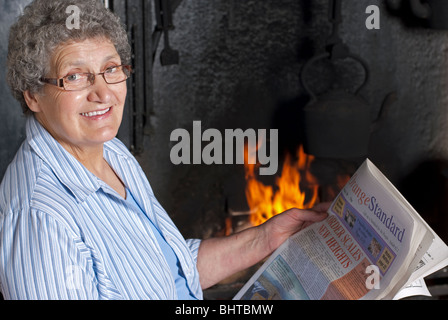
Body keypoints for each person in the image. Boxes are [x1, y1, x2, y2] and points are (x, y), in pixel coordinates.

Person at [0, 0, 329, 300]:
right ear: (32, 95)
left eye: (111, 69)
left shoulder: (109, 152)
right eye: (74, 76)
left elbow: (168, 271)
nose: (103, 93)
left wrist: (267, 237)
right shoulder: (40, 217)